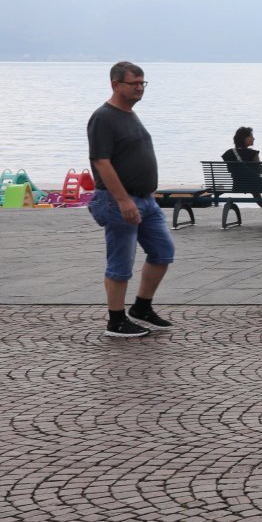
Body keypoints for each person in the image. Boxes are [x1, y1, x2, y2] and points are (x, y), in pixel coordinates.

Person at [86, 61, 175, 338]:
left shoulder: (129, 114)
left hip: (146, 200)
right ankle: (116, 321)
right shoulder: (104, 117)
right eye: (133, 83)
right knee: (121, 263)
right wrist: (124, 200)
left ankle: (141, 308)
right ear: (115, 85)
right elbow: (101, 162)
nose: (139, 88)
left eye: (142, 83)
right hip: (118, 201)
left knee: (162, 252)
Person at [223, 126, 262, 222]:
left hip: (238, 184)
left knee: (256, 192)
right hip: (254, 183)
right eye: (251, 136)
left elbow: (230, 169)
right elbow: (260, 171)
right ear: (244, 138)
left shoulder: (228, 153)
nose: (254, 138)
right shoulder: (253, 153)